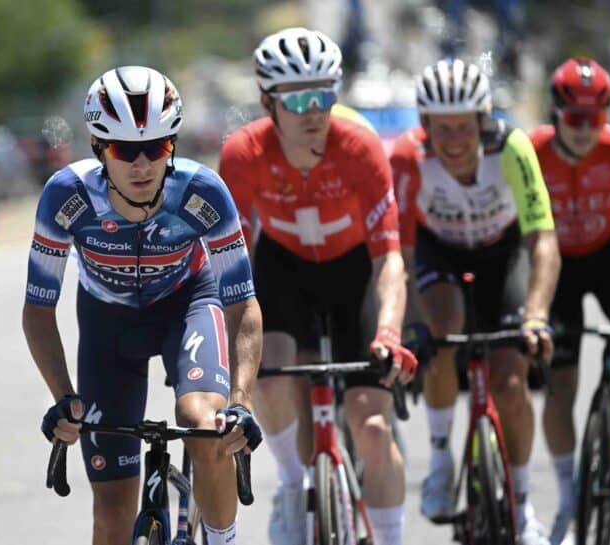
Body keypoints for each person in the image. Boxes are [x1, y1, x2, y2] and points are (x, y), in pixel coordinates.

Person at [22, 66, 263, 545]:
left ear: (172, 145)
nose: (142, 165)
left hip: (188, 301)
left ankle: (223, 538)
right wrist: (63, 398)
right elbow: (37, 309)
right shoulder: (66, 196)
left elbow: (242, 304)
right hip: (107, 322)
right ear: (97, 147)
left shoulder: (203, 192)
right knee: (111, 519)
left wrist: (242, 401)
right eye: (124, 151)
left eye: (156, 148)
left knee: (204, 424)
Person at [219, 27, 417, 545]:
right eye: (299, 99)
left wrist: (391, 331)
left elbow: (389, 258)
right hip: (283, 269)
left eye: (325, 96)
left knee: (371, 427)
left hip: (352, 274)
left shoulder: (360, 148)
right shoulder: (243, 154)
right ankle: (291, 484)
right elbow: (233, 265)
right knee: (270, 373)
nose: (314, 111)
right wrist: (231, 340)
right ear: (267, 102)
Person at [391, 58, 560, 545]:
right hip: (436, 250)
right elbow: (397, 252)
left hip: (501, 254)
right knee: (441, 329)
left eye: (464, 126)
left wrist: (536, 315)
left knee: (511, 384)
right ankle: (442, 459)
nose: (454, 140)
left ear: (482, 120)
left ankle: (524, 508)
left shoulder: (511, 147)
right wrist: (411, 322)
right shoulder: (407, 157)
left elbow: (543, 240)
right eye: (441, 129)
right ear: (424, 126)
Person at [529, 57, 610, 545]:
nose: (584, 129)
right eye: (575, 118)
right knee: (562, 378)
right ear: (557, 113)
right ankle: (567, 493)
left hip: (608, 252)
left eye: (595, 118)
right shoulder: (531, 151)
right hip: (559, 263)